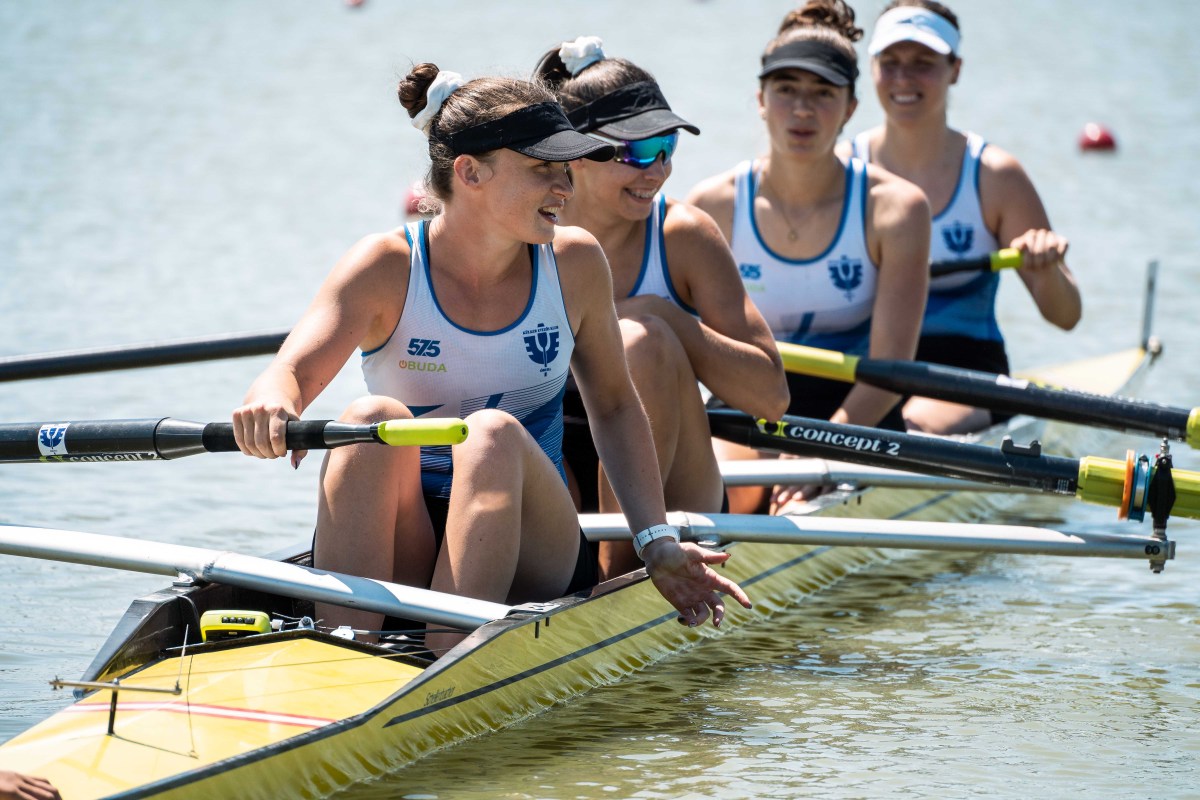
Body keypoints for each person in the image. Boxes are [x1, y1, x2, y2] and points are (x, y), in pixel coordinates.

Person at [233, 64, 751, 656]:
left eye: (565, 169)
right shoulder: (384, 266)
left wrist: (655, 540)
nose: (565, 188)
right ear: (470, 172)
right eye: (542, 169)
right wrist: (272, 402)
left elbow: (613, 406)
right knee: (368, 419)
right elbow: (288, 374)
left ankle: (444, 655)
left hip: (535, 539)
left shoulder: (574, 262)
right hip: (414, 526)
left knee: (491, 433)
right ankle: (341, 647)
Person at [534, 37, 789, 578]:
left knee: (642, 340)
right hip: (561, 456)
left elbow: (771, 398)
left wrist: (665, 315)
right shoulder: (526, 235)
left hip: (671, 477)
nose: (658, 170)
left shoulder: (683, 236)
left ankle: (616, 577)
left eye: (666, 146)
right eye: (638, 151)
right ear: (576, 153)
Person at [687, 0, 931, 514]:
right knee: (720, 499)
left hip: (858, 406)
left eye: (823, 93)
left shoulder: (896, 208)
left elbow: (894, 368)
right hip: (750, 399)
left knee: (776, 503)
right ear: (760, 99)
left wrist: (821, 447)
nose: (802, 110)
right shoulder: (711, 205)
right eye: (787, 90)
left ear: (851, 108)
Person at [842, 1, 1082, 434]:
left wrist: (1046, 268)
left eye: (923, 63)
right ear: (872, 68)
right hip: (865, 363)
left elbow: (1065, 317)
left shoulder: (995, 176)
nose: (903, 78)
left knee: (907, 426)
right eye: (890, 62)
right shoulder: (842, 168)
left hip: (965, 369)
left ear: (955, 69)